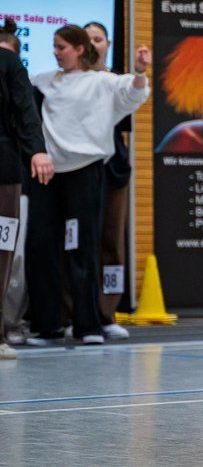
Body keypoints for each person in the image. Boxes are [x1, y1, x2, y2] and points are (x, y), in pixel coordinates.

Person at [26, 25, 150, 346]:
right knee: (42, 245)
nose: (56, 52)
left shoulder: (101, 82)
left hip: (85, 171)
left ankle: (88, 325)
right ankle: (48, 325)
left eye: (62, 47)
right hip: (49, 174)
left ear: (80, 50)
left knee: (83, 247)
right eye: (54, 46)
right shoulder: (46, 81)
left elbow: (133, 92)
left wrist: (139, 71)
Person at [0, 20, 53, 358]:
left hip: (5, 171)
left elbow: (25, 109)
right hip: (5, 172)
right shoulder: (10, 61)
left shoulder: (8, 62)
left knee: (4, 250)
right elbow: (26, 110)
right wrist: (37, 149)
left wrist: (37, 149)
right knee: (3, 251)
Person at [83, 21, 132, 341]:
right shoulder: (69, 82)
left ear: (108, 45)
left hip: (113, 171)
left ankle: (107, 312)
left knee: (111, 242)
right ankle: (76, 313)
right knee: (78, 243)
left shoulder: (117, 83)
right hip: (79, 171)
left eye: (98, 39)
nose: (93, 44)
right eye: (87, 39)